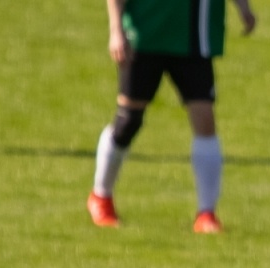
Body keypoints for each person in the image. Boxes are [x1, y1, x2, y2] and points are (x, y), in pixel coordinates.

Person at [87, 0, 258, 232]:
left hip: (194, 37)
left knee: (205, 120)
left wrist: (243, 8)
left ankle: (206, 213)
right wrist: (116, 30)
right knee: (129, 121)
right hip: (144, 34)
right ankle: (101, 197)